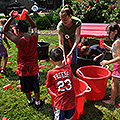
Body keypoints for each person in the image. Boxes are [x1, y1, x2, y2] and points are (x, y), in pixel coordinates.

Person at [2, 11, 45, 110]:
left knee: (26, 87)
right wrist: (28, 16)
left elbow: (4, 30)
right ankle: (38, 102)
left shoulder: (19, 41)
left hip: (23, 68)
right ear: (27, 29)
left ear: (18, 31)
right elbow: (34, 26)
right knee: (36, 86)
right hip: (34, 68)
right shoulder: (34, 37)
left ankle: (30, 100)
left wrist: (12, 17)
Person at [45, 47, 76, 120]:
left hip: (60, 103)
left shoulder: (51, 73)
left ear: (51, 60)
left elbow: (48, 85)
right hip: (72, 102)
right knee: (69, 118)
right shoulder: (68, 68)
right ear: (63, 58)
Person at [57, 4, 82, 74]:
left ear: (70, 16)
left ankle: (71, 73)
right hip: (64, 44)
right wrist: (64, 55)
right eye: (61, 20)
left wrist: (71, 52)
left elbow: (77, 38)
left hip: (73, 43)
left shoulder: (77, 22)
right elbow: (61, 43)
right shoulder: (60, 26)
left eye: (65, 20)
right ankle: (65, 73)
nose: (63, 22)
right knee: (63, 61)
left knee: (74, 61)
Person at [100, 22, 120, 105]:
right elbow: (115, 50)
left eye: (109, 32)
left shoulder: (117, 42)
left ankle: (112, 101)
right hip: (117, 64)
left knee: (113, 82)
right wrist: (108, 47)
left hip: (118, 64)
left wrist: (107, 62)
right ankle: (117, 94)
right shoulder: (117, 40)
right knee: (116, 81)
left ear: (115, 31)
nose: (108, 35)